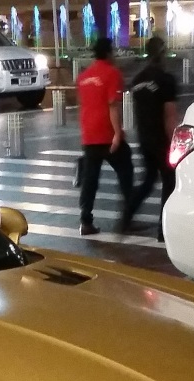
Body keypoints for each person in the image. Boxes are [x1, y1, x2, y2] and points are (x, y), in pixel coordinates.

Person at [76, 37, 134, 236]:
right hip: (107, 134)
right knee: (126, 171)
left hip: (89, 135)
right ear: (109, 52)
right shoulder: (112, 73)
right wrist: (118, 133)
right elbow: (112, 105)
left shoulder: (83, 77)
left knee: (90, 178)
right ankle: (128, 215)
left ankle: (85, 220)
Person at [127, 36, 179, 242]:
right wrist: (174, 144)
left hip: (144, 138)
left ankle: (127, 216)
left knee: (148, 181)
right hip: (161, 140)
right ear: (163, 53)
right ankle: (162, 229)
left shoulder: (138, 80)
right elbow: (170, 116)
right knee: (169, 181)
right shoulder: (166, 80)